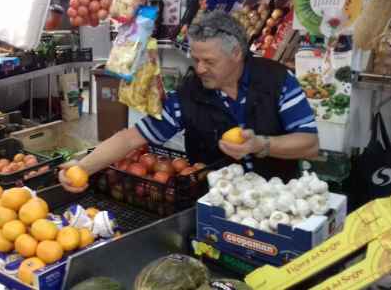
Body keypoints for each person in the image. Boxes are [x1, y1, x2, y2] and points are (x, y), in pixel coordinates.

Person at [60, 10, 319, 192]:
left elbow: (309, 144)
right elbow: (131, 138)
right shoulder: (189, 94)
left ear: (237, 54)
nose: (200, 69)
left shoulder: (277, 80)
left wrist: (262, 145)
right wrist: (82, 166)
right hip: (213, 201)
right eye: (195, 59)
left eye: (209, 61)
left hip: (281, 203)